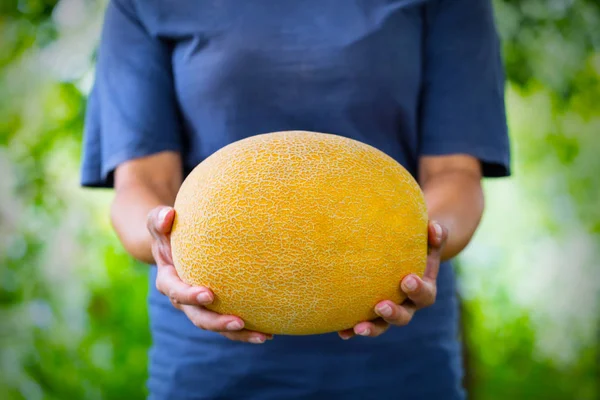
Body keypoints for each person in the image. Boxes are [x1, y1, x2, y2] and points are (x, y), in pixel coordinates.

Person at [80, 0, 510, 398]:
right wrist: (166, 244)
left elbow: (456, 175)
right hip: (208, 370)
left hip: (402, 368)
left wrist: (425, 243)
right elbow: (138, 184)